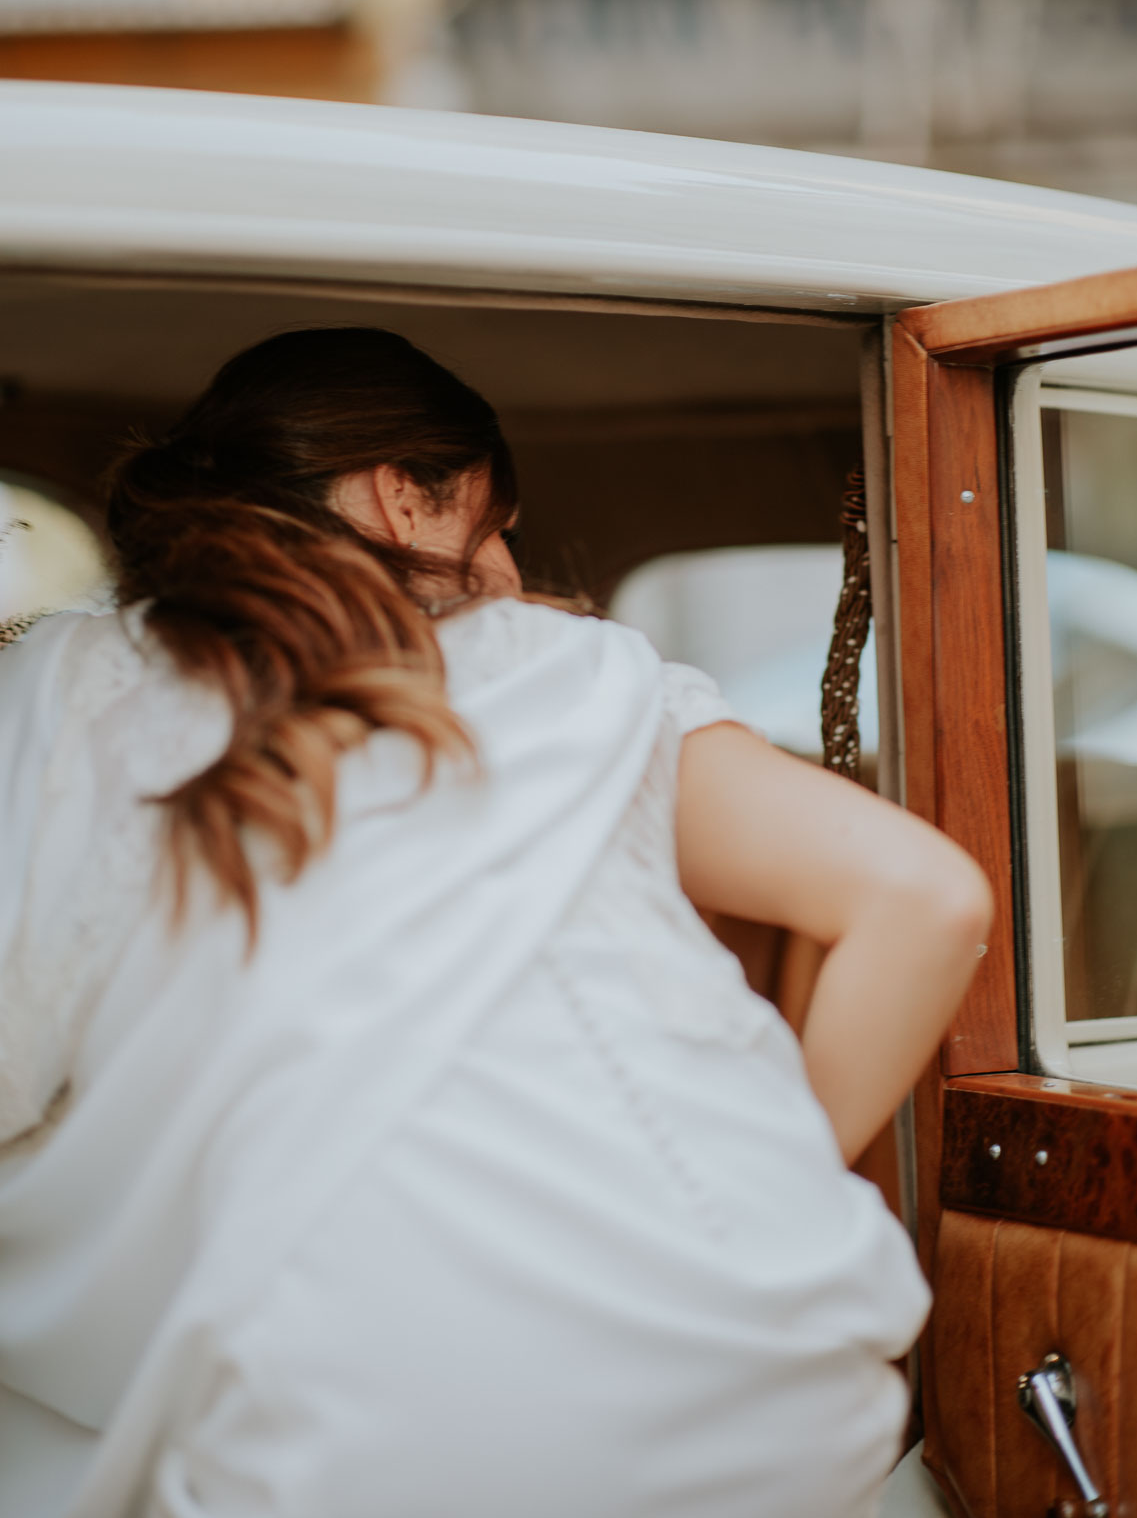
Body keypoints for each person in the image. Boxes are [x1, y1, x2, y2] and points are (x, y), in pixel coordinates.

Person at [0, 328, 991, 1518]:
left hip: (341, 1444)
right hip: (764, 1388)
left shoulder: (61, 689)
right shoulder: (581, 671)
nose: (513, 568)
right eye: (501, 520)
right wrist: (767, 1174)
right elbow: (930, 898)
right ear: (402, 498)